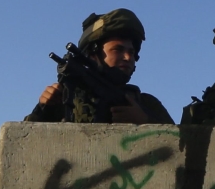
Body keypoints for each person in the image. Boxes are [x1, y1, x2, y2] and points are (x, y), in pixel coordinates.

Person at [25, 8, 174, 124]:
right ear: (92, 54)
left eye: (131, 52)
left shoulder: (145, 103)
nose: (128, 58)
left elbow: (178, 145)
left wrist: (144, 121)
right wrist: (42, 109)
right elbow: (26, 142)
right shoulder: (65, 98)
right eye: (117, 50)